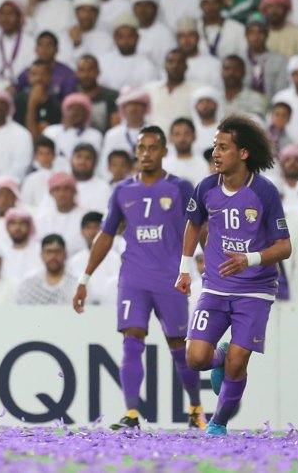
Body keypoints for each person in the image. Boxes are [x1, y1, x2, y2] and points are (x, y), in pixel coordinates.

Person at [72, 126, 203, 430]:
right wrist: (84, 278)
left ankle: (195, 407)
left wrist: (207, 260)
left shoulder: (181, 188)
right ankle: (131, 414)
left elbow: (200, 226)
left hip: (170, 277)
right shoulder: (122, 190)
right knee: (131, 340)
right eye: (141, 147)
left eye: (152, 147)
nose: (145, 153)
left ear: (164, 151)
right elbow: (106, 235)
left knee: (178, 347)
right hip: (133, 277)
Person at [178, 115, 292, 436]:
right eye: (215, 145)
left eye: (223, 147)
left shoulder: (265, 193)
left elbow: (284, 247)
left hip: (255, 289)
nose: (215, 152)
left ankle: (218, 424)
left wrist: (250, 259)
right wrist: (185, 268)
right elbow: (193, 224)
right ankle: (220, 355)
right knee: (197, 358)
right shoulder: (206, 187)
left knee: (239, 363)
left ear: (243, 153)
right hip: (215, 286)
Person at [17, 234, 78, 304]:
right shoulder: (29, 282)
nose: (53, 257)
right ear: (41, 255)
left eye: (57, 252)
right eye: (49, 252)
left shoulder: (78, 281)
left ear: (65, 254)